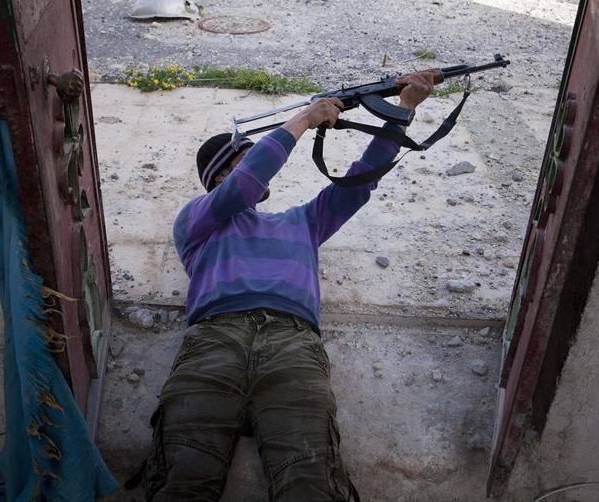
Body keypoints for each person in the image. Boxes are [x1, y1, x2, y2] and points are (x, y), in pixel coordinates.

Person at [139, 72, 435, 501]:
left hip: (293, 342)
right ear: (220, 175)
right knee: (182, 482)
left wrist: (402, 111)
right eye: (248, 159)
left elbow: (359, 182)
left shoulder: (304, 221)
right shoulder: (198, 218)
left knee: (310, 484)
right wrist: (303, 120)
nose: (262, 168)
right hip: (215, 338)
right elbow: (245, 183)